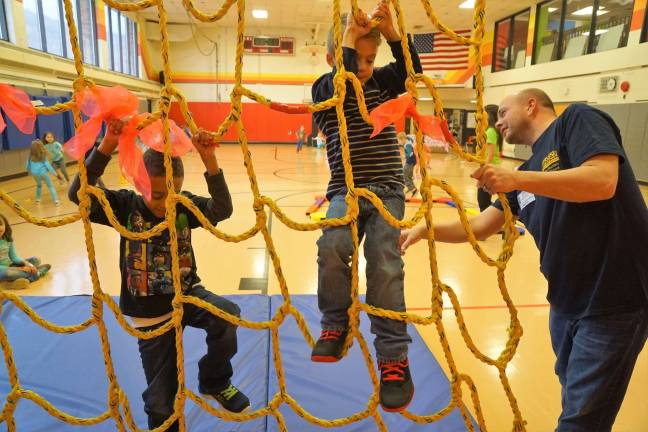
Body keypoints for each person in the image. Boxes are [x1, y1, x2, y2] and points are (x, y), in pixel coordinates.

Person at [400, 88, 648, 432]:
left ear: (531, 105)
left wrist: (515, 178)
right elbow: (481, 226)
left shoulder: (575, 121)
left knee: (581, 418)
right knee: (575, 397)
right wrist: (427, 230)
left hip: (614, 301)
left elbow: (603, 181)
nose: (497, 121)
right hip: (566, 302)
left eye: (503, 112)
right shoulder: (527, 173)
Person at [68, 120, 250, 431]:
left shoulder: (181, 206)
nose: (165, 203)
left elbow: (222, 209)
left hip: (186, 294)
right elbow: (78, 194)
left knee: (227, 316)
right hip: (149, 314)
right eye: (157, 194)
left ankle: (214, 379)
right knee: (162, 400)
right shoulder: (124, 206)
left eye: (173, 193)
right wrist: (108, 143)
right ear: (139, 183)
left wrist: (209, 160)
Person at [310, 2, 423, 412]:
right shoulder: (325, 89)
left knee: (385, 264)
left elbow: (413, 71)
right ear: (335, 55)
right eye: (358, 58)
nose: (364, 67)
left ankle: (393, 357)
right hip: (345, 188)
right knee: (332, 245)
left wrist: (393, 34)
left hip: (388, 188)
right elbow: (341, 76)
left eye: (370, 59)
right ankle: (334, 323)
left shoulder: (384, 82)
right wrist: (347, 41)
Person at [0, 213, 51, 290]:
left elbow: (14, 257)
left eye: (0, 224)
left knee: (35, 259)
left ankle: (19, 278)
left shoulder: (8, 239)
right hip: (3, 271)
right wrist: (19, 269)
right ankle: (37, 274)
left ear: (5, 225)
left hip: (10, 266)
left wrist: (28, 264)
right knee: (8, 273)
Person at [476, 105, 503, 211]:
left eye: (484, 114)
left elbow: (491, 155)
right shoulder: (493, 130)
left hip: (489, 168)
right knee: (485, 200)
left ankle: (492, 222)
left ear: (489, 116)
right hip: (491, 167)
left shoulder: (491, 131)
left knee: (483, 200)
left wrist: (482, 172)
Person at [26, 140, 61, 206]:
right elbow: (49, 167)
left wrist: (29, 171)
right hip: (43, 174)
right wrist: (56, 174)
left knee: (39, 186)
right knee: (50, 186)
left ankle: (38, 200)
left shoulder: (30, 157)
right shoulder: (43, 156)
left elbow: (27, 166)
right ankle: (56, 201)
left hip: (35, 174)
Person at [398, 132, 417, 199]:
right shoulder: (408, 141)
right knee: (409, 176)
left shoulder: (407, 145)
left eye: (400, 141)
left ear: (403, 139)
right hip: (412, 161)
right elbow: (411, 139)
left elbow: (410, 153)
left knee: (404, 176)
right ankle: (411, 187)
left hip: (410, 162)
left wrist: (404, 156)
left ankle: (413, 189)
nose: (399, 143)